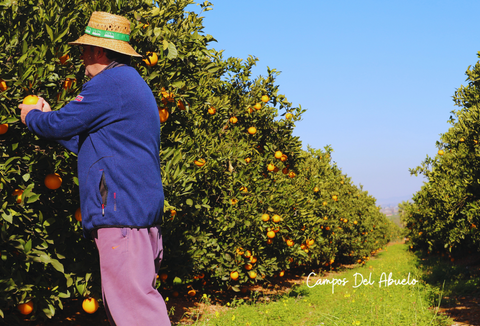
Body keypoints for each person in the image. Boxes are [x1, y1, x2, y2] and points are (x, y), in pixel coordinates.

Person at [19, 11, 171, 326]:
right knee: (132, 303)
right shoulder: (129, 83)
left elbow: (58, 123)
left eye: (84, 50)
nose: (82, 57)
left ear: (99, 51)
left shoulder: (110, 83)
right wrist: (53, 122)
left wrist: (32, 116)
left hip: (123, 213)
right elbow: (93, 142)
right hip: (135, 211)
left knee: (135, 311)